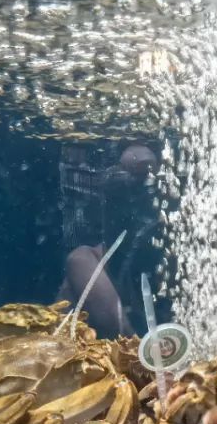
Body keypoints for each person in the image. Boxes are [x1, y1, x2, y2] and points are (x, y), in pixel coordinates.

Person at [57, 144, 162, 338]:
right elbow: (124, 339)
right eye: (120, 193)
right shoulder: (84, 261)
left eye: (141, 189)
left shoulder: (170, 266)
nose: (131, 208)